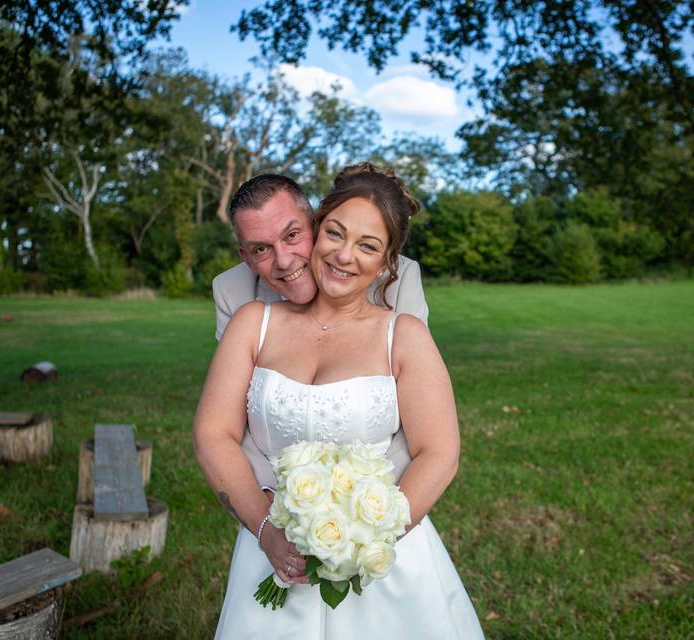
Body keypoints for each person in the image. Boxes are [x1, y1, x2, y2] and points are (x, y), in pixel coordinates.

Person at [193, 163, 484, 638]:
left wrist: (362, 539)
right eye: (335, 234)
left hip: (382, 549)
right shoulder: (252, 320)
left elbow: (439, 450)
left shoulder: (402, 332)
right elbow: (215, 432)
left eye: (368, 246)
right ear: (320, 228)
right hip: (274, 537)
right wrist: (268, 527)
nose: (344, 255)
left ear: (387, 263)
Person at [211, 174, 428, 491]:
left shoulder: (395, 276)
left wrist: (361, 507)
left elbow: (418, 415)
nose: (284, 261)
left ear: (315, 223)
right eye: (261, 249)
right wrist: (280, 503)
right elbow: (235, 417)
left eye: (293, 235)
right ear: (245, 257)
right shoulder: (233, 292)